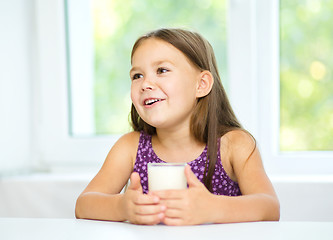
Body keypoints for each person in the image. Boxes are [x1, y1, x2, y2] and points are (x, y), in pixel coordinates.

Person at [75, 28, 280, 225]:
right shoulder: (130, 147)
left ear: (201, 85)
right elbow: (83, 205)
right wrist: (122, 207)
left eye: (161, 70)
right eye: (137, 75)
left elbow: (269, 207)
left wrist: (213, 208)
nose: (145, 84)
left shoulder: (235, 145)